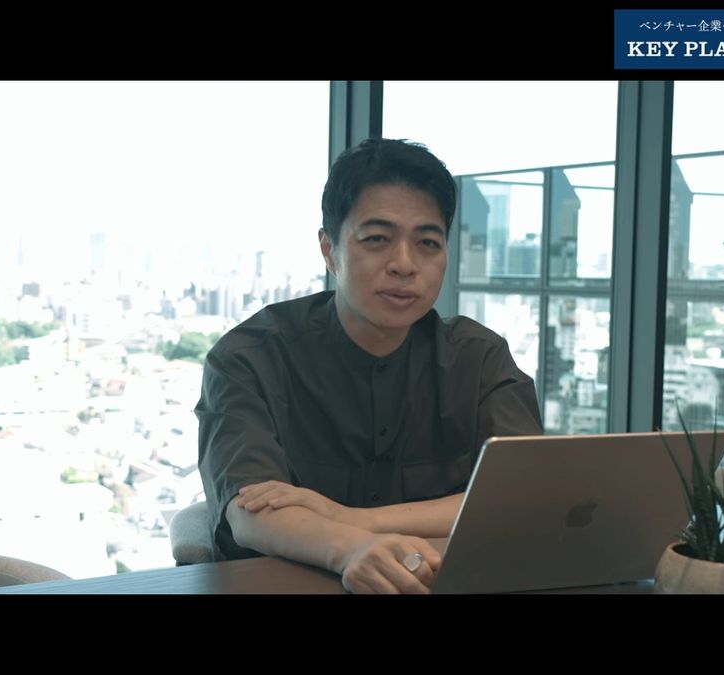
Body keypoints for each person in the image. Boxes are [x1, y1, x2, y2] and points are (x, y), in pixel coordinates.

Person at [194, 137, 542, 594]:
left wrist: (353, 519)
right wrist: (350, 548)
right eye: (377, 239)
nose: (404, 265)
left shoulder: (479, 357)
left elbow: (523, 496)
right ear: (329, 250)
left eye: (428, 243)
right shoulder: (250, 356)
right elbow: (250, 512)